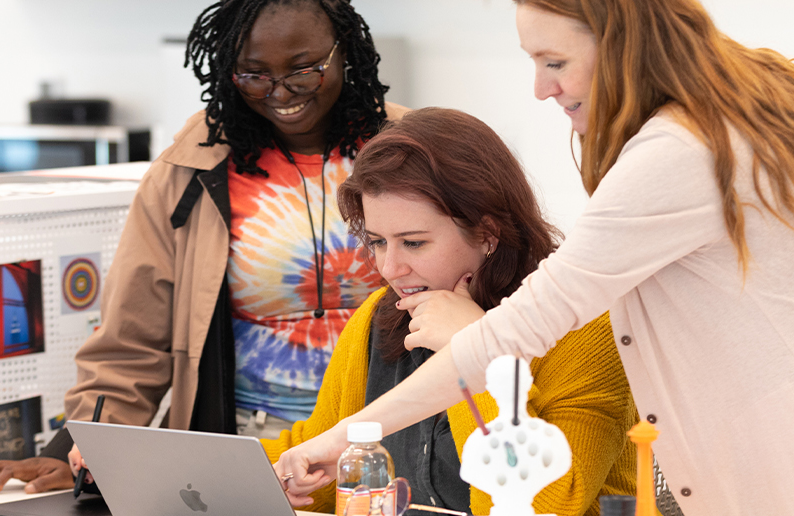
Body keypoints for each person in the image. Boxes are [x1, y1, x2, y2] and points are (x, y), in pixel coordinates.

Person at [275, 0, 794, 514]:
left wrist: (342, 439)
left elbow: (523, 325)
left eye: (554, 61)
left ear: (622, 45)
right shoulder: (753, 86)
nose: (541, 88)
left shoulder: (672, 155)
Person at [0, 0, 408, 494]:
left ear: (345, 48)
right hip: (251, 457)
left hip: (391, 447)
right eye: (253, 73)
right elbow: (132, 341)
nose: (281, 91)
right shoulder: (190, 169)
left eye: (304, 68)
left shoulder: (412, 150)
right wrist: (73, 452)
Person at [260, 107, 651, 516]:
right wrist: (283, 477)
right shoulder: (378, 317)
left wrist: (474, 350)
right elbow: (326, 468)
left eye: (413, 243)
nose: (390, 268)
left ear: (487, 234)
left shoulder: (586, 332)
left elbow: (543, 505)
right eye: (377, 242)